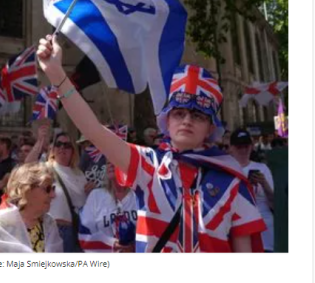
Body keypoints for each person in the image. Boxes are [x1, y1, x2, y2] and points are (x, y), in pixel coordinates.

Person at [37, 35, 266, 252]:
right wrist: (57, 74)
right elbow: (93, 130)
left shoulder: (232, 181)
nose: (187, 120)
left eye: (198, 116)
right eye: (179, 113)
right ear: (167, 119)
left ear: (210, 127)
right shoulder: (147, 165)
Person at [0, 162, 63, 253]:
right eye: (47, 189)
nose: (53, 195)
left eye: (53, 188)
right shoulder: (1, 223)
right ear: (26, 190)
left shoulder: (49, 223)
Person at [228, 129, 275, 252]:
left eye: (246, 146)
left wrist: (264, 184)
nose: (243, 150)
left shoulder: (262, 168)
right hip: (238, 231)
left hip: (264, 230)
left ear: (252, 146)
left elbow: (274, 204)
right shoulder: (225, 170)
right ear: (231, 148)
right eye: (239, 146)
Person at [46, 132, 93, 252]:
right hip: (56, 228)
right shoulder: (47, 169)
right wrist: (40, 141)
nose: (62, 148)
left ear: (73, 150)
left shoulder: (79, 173)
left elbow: (84, 201)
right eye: (58, 144)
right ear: (53, 148)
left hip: (78, 228)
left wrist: (92, 191)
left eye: (67, 145)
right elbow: (26, 167)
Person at [78, 164, 137, 253]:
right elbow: (84, 236)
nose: (111, 164)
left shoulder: (140, 196)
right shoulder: (96, 196)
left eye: (116, 159)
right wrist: (112, 244)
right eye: (108, 162)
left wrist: (134, 246)